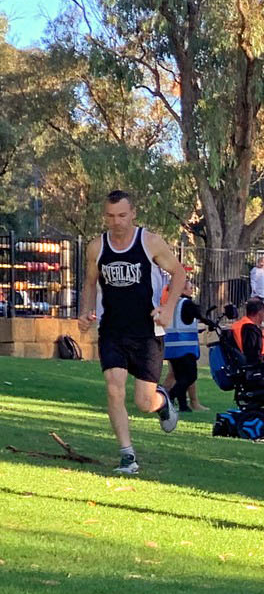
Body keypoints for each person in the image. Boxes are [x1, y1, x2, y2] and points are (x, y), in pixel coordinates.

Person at [79, 189, 187, 471]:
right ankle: (127, 455)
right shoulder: (96, 247)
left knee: (143, 401)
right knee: (114, 388)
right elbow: (89, 282)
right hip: (112, 330)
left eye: (122, 215)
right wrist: (85, 311)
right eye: (111, 216)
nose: (116, 222)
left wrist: (168, 308)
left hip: (147, 332)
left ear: (133, 214)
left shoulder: (150, 242)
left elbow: (179, 273)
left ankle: (161, 402)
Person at [160, 279, 204, 416]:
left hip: (172, 348)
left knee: (180, 377)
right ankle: (169, 397)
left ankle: (183, 405)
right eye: (190, 288)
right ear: (183, 289)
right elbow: (198, 315)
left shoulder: (170, 304)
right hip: (185, 348)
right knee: (190, 376)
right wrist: (209, 322)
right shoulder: (186, 303)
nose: (192, 290)